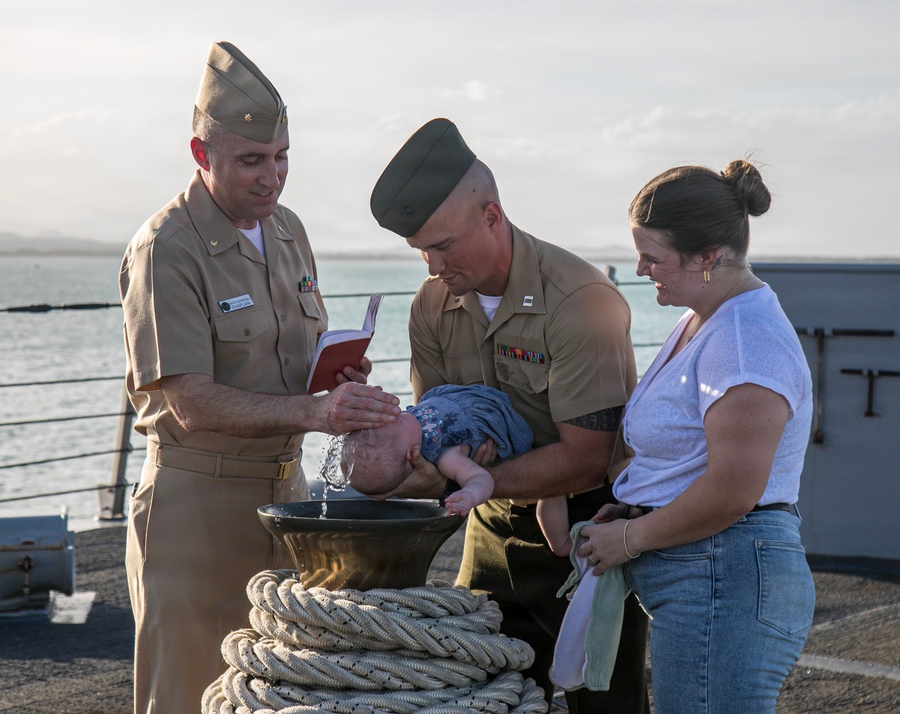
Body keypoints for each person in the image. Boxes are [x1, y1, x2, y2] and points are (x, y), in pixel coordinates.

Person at [119, 41, 401, 714]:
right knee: (188, 695)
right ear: (200, 153)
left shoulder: (288, 231)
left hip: (288, 498)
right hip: (197, 507)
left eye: (281, 158)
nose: (271, 178)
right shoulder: (166, 248)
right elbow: (189, 402)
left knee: (279, 693)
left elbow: (285, 364)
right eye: (251, 160)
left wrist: (335, 375)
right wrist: (317, 414)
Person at [367, 118, 650, 712]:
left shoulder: (581, 301)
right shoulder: (431, 304)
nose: (432, 265)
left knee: (604, 702)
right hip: (489, 526)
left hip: (588, 530)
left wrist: (457, 480)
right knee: (475, 696)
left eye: (444, 245)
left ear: (492, 216)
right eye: (420, 250)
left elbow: (586, 458)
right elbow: (435, 426)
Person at [577, 159, 817, 712]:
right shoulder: (705, 320)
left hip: (725, 577)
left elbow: (733, 491)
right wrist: (638, 504)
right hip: (711, 574)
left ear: (708, 257)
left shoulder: (744, 341)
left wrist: (631, 538)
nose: (641, 268)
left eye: (653, 256)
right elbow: (692, 458)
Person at [345, 384, 573, 555]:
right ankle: (560, 542)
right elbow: (481, 477)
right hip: (498, 422)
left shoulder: (404, 433)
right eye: (396, 422)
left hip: (466, 398)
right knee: (549, 490)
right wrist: (469, 493)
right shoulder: (444, 455)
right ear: (411, 453)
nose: (395, 415)